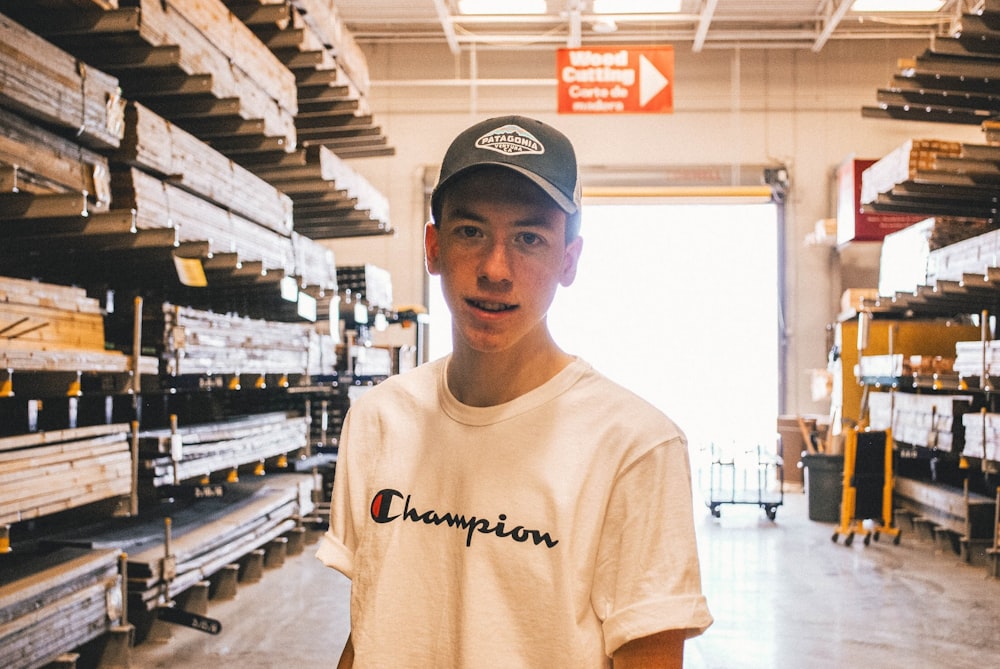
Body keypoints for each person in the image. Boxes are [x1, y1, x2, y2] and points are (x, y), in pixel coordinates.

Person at [316, 115, 712, 668]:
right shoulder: (380, 421)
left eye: (529, 238)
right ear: (433, 247)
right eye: (471, 232)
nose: (496, 270)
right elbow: (370, 629)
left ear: (568, 260)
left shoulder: (634, 447)